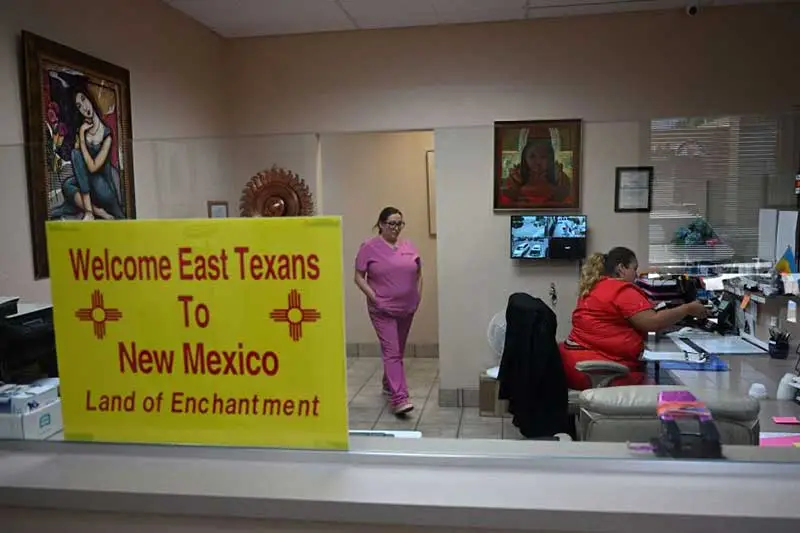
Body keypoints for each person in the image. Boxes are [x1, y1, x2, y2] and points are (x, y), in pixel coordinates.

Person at [559, 247, 709, 390]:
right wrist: (687, 309)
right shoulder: (619, 289)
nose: (636, 275)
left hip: (577, 366)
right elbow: (652, 322)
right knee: (669, 388)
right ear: (621, 268)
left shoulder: (596, 286)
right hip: (599, 372)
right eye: (634, 269)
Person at [354, 207, 422, 415]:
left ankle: (387, 383)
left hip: (406, 307)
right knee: (392, 352)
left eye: (399, 223)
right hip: (382, 309)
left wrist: (417, 297)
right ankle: (400, 399)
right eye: (391, 223)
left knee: (397, 350)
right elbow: (358, 276)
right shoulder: (369, 247)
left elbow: (419, 274)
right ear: (381, 224)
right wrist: (376, 299)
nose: (395, 228)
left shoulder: (409, 246)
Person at [50, 90, 125, 221]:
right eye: (79, 106)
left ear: (90, 99)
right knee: (67, 185)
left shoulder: (107, 134)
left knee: (76, 154)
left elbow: (92, 167)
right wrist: (82, 133)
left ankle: (89, 211)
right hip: (88, 186)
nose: (84, 107)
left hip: (102, 187)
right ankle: (99, 212)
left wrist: (82, 137)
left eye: (84, 100)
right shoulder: (82, 129)